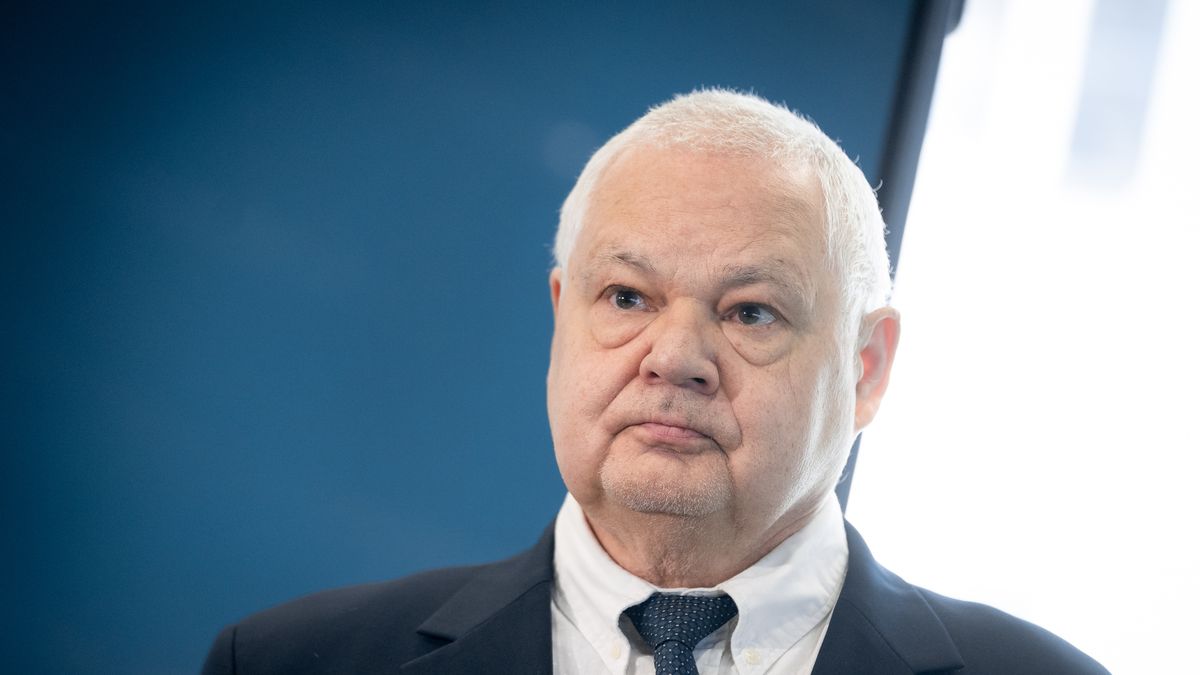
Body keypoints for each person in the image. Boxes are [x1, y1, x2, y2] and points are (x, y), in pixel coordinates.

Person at [201, 90, 1108, 674]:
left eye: (751, 311)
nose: (673, 356)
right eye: (627, 296)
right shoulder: (286, 662)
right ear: (563, 317)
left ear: (866, 366)